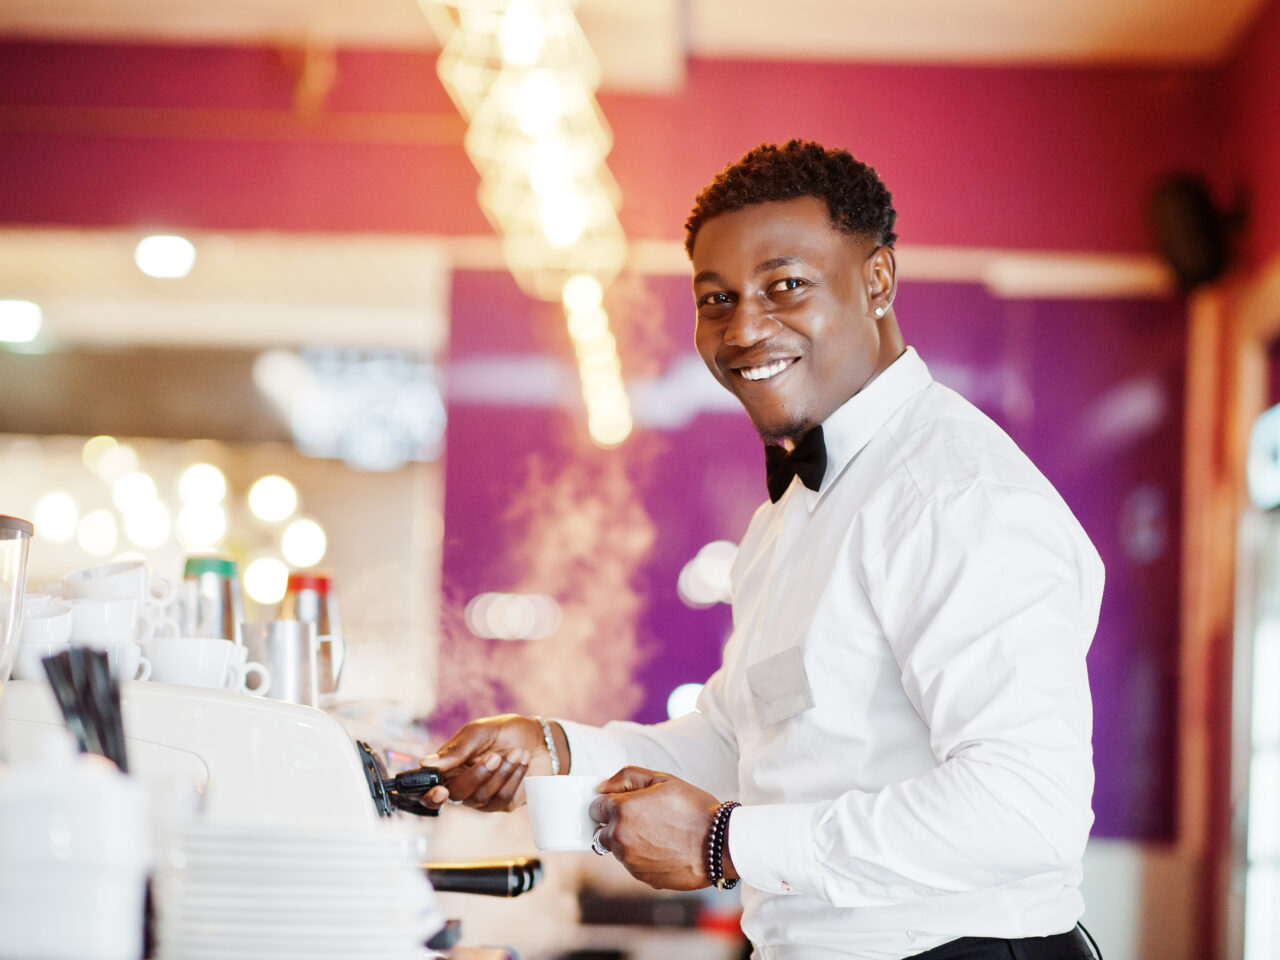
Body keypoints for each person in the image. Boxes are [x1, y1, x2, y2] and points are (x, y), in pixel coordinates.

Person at [422, 140, 1105, 960]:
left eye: (786, 285)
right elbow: (741, 741)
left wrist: (727, 844)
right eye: (717, 299)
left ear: (876, 281)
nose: (745, 327)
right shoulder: (793, 513)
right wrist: (558, 747)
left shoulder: (958, 495)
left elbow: (1027, 808)